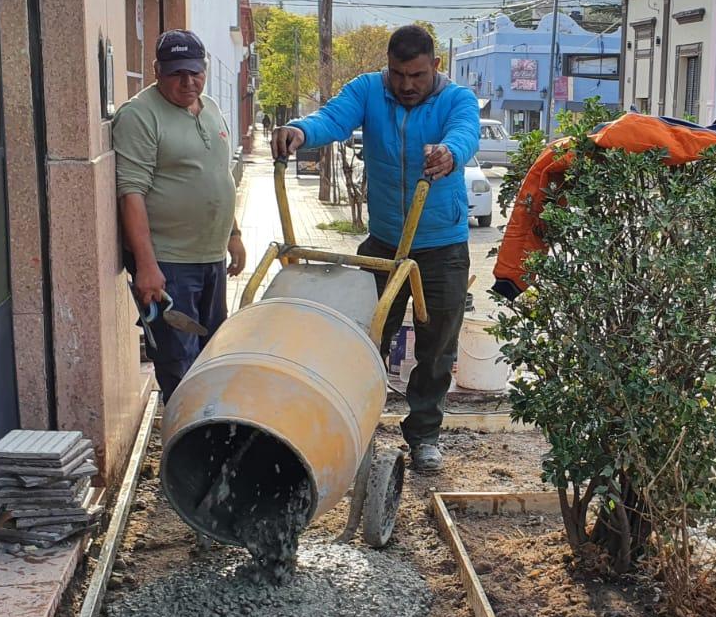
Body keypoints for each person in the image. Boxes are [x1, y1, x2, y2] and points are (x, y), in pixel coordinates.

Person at [271, 25, 480, 472]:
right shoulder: (367, 90)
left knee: (437, 346)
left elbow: (465, 133)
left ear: (435, 67)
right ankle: (356, 425)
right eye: (398, 73)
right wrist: (300, 131)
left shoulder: (456, 99)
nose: (406, 85)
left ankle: (424, 433)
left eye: (417, 75)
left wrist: (450, 153)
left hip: (442, 245)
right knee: (366, 339)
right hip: (384, 243)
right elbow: (332, 118)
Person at [114, 29, 245, 402]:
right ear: (157, 70)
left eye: (195, 72)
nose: (189, 82)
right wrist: (146, 266)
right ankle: (184, 447)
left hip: (211, 258)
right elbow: (131, 194)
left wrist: (233, 234)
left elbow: (219, 175)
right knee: (178, 362)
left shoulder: (211, 108)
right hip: (169, 264)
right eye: (176, 74)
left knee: (210, 355)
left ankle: (209, 440)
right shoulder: (139, 116)